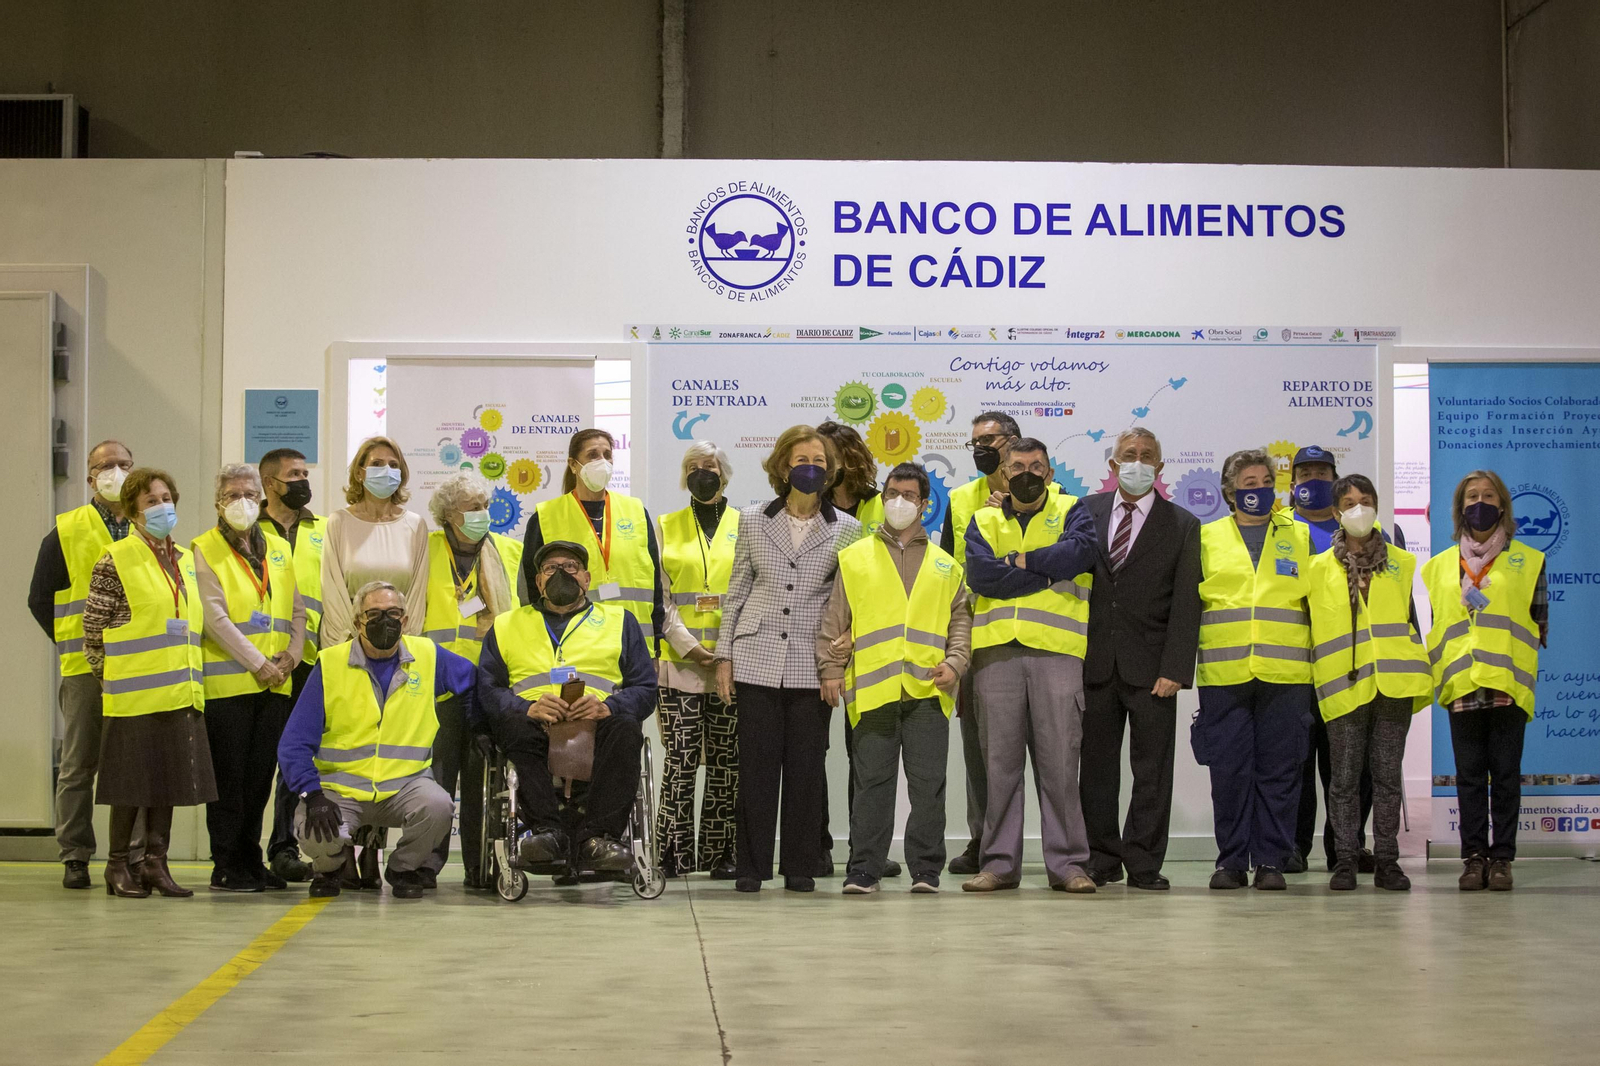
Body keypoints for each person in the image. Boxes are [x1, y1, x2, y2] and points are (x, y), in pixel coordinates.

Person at [714, 425, 862, 893]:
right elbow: (737, 590)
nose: (812, 467)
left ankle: (800, 864)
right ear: (783, 465)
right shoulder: (753, 519)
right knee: (755, 769)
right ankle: (750, 867)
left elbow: (851, 600)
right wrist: (723, 658)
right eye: (802, 459)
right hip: (755, 655)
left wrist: (839, 658)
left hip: (810, 664)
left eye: (820, 460)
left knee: (805, 770)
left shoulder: (848, 528)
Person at [817, 462, 969, 894]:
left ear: (925, 504)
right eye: (891, 493)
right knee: (871, 786)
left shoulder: (945, 565)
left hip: (928, 690)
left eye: (908, 495)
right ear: (882, 498)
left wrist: (955, 664)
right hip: (871, 688)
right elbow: (834, 620)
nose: (898, 502)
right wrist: (830, 670)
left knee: (928, 787)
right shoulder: (855, 556)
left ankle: (926, 870)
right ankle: (864, 868)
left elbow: (960, 622)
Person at [278, 581, 477, 899]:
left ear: (406, 620)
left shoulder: (428, 656)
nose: (386, 621)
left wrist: (476, 721)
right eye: (374, 614)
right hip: (341, 791)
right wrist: (313, 795)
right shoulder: (330, 664)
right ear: (357, 621)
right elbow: (294, 742)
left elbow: (475, 683)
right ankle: (332, 867)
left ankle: (402, 868)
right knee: (313, 826)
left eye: (394, 613)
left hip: (404, 787)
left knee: (439, 805)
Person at [961, 437, 1099, 893]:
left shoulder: (1074, 510)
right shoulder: (982, 520)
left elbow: (1077, 555)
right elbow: (982, 576)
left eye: (1036, 466)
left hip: (1057, 651)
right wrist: (1044, 570)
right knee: (998, 766)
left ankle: (1069, 865)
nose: (1026, 472)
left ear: (1050, 471)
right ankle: (998, 864)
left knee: (1061, 764)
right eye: (1017, 465)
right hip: (995, 652)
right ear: (1002, 472)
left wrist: (1018, 562)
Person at [476, 541, 657, 870]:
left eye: (571, 567)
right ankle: (548, 832)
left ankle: (598, 839)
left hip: (598, 724)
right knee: (513, 727)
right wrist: (526, 707)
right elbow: (488, 689)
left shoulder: (620, 621)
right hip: (534, 725)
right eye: (551, 568)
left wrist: (609, 708)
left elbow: (645, 687)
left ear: (587, 578)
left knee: (626, 728)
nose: (561, 573)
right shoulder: (505, 625)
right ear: (538, 581)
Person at [1075, 428, 1202, 891]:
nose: (1138, 461)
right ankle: (1100, 858)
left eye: (1148, 455)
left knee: (1152, 771)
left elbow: (1187, 603)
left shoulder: (1184, 525)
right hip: (1093, 664)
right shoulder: (1083, 513)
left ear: (1161, 467)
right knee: (1096, 770)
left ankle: (1144, 862)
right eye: (1129, 455)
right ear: (1112, 465)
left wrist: (1176, 668)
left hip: (1153, 670)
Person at [82, 467, 217, 898]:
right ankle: (118, 865)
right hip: (134, 695)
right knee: (130, 786)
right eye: (150, 501)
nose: (162, 507)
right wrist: (116, 678)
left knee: (168, 784)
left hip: (180, 691)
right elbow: (93, 632)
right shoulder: (116, 557)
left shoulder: (184, 561)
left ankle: (156, 864)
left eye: (165, 498)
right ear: (134, 512)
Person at [1192, 447, 1313, 892]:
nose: (1259, 492)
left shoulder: (1299, 536)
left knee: (1280, 772)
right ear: (1229, 492)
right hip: (1225, 676)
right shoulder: (1206, 538)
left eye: (1266, 484)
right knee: (1229, 772)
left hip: (1288, 675)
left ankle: (1270, 861)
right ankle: (1230, 861)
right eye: (1249, 485)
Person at [1423, 469, 1547, 892]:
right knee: (1470, 775)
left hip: (1507, 687)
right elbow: (1439, 623)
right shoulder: (1439, 565)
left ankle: (1503, 860)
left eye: (1488, 494)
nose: (1480, 502)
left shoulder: (1529, 560)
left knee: (1506, 775)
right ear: (1460, 508)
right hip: (1462, 685)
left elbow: (1539, 624)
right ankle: (1473, 858)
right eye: (1471, 495)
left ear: (1502, 505)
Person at [1307, 474, 1429, 891]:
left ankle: (1388, 862)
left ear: (1376, 506)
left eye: (1366, 500)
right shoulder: (1318, 567)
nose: (1358, 508)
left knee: (1386, 778)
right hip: (1343, 686)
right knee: (1343, 780)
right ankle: (1344, 860)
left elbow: (1410, 621)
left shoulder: (1402, 562)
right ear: (1337, 511)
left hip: (1395, 684)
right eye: (1349, 501)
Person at [319, 435, 430, 886]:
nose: (383, 470)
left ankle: (373, 851)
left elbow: (417, 594)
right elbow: (332, 588)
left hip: (398, 655)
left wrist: (403, 645)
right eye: (374, 462)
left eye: (392, 463)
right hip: (351, 651)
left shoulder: (415, 525)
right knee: (355, 750)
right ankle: (343, 848)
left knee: (389, 756)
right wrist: (355, 643)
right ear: (359, 472)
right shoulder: (339, 523)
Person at [28, 439, 139, 890]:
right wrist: (73, 642)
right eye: (105, 465)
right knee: (78, 765)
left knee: (132, 765)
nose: (115, 471)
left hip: (137, 669)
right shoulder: (66, 529)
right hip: (84, 670)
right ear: (90, 477)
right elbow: (39, 599)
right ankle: (75, 854)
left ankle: (131, 855)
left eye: (124, 464)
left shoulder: (148, 524)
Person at [193, 463, 307, 892]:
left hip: (276, 684)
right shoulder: (203, 548)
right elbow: (214, 618)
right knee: (229, 781)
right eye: (230, 495)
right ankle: (226, 864)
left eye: (247, 494)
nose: (240, 502)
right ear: (218, 504)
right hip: (231, 686)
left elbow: (296, 608)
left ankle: (250, 860)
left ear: (261, 499)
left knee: (260, 778)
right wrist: (259, 663)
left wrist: (293, 655)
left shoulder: (277, 546)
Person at [421, 471, 523, 887]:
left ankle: (482, 865)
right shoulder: (423, 550)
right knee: (438, 779)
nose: (483, 514)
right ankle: (426, 863)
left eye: (485, 505)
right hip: (437, 683)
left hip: (490, 684)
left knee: (486, 780)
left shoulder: (509, 552)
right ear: (448, 515)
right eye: (472, 508)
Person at [940, 411, 1024, 875]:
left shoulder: (1056, 499)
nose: (980, 448)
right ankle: (983, 839)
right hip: (979, 637)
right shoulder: (959, 500)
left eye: (988, 439)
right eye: (974, 441)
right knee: (979, 749)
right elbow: (952, 574)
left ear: (1012, 442)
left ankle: (1063, 843)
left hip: (1041, 636)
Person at [655, 441, 741, 878]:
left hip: (731, 665)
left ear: (723, 473)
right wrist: (690, 646)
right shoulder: (665, 526)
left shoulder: (748, 525)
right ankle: (671, 852)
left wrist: (723, 650)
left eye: (708, 466)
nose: (701, 473)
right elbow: (662, 597)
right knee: (680, 759)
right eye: (692, 467)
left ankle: (720, 854)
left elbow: (750, 594)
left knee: (727, 764)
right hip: (679, 664)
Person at [1288, 444, 1374, 874]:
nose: (1313, 480)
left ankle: (1348, 847)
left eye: (1323, 472)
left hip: (1351, 668)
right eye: (1305, 474)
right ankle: (1294, 846)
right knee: (1298, 764)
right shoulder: (1281, 530)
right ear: (1292, 483)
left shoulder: (1371, 536)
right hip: (1298, 666)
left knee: (1351, 767)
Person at [813, 419, 888, 873]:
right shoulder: (807, 507)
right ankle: (816, 843)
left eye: (831, 456)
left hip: (873, 641)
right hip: (818, 642)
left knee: (866, 751)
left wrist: (857, 631)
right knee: (811, 750)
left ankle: (867, 848)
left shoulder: (884, 505)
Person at [523, 428, 664, 650]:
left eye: (607, 455)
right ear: (573, 465)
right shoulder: (546, 516)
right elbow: (532, 588)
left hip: (633, 641)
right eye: (593, 455)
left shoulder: (636, 511)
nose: (602, 461)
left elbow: (655, 584)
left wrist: (657, 640)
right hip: (573, 641)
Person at [258, 447, 323, 883]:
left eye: (305, 472)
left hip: (313, 659)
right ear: (270, 483)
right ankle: (242, 852)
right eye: (293, 474)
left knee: (295, 759)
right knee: (258, 762)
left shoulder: (324, 529)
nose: (302, 480)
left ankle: (284, 847)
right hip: (261, 661)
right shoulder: (246, 529)